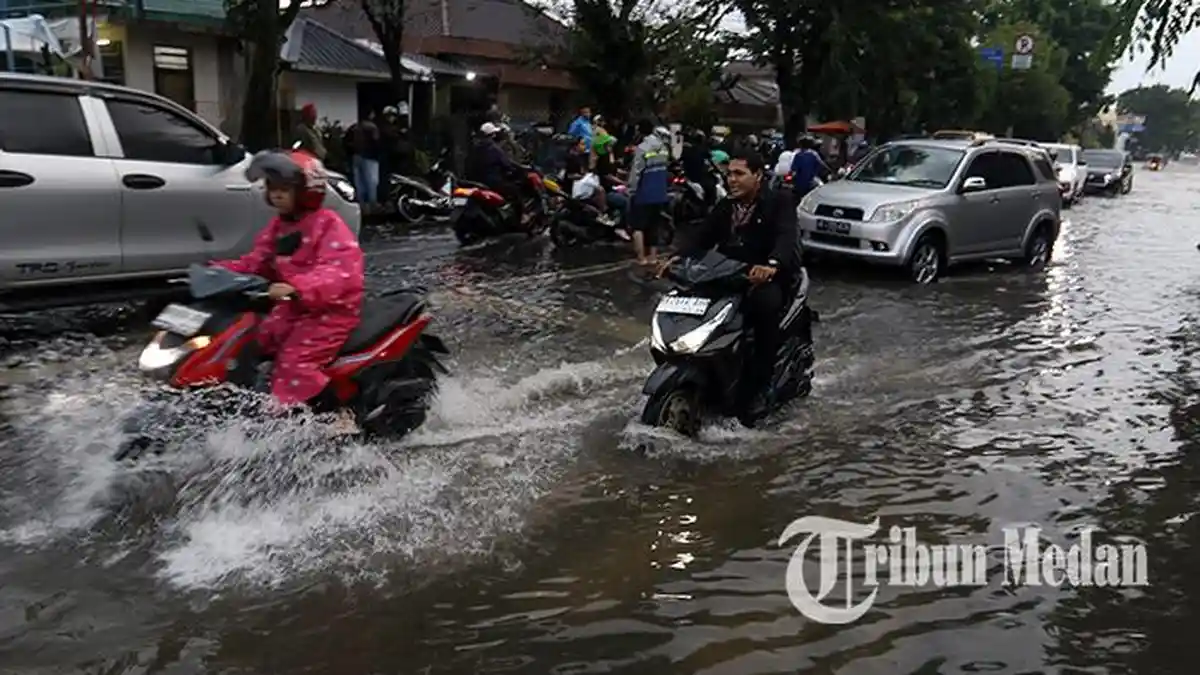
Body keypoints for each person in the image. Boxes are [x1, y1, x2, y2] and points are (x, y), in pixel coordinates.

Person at [210, 149, 365, 410]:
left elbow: (340, 272)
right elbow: (257, 260)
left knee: (296, 362)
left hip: (328, 311)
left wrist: (297, 287)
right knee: (254, 340)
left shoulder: (327, 224)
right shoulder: (280, 226)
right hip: (292, 306)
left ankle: (338, 416)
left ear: (306, 191)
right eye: (272, 188)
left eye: (285, 188)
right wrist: (217, 272)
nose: (277, 194)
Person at [661, 149, 800, 425]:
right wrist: (677, 257)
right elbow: (703, 236)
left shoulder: (779, 202)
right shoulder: (727, 206)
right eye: (729, 174)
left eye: (739, 174)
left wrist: (772, 264)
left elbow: (787, 237)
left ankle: (762, 384)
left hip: (766, 278)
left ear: (757, 176)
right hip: (728, 276)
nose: (732, 180)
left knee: (764, 307)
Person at [626, 120, 671, 265]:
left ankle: (641, 259)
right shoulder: (664, 148)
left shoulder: (643, 148)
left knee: (638, 226)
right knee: (654, 225)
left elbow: (636, 172)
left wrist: (631, 190)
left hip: (643, 193)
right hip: (660, 193)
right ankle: (653, 258)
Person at [467, 121, 528, 227]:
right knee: (515, 191)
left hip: (476, 181)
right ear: (493, 135)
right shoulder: (494, 148)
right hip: (492, 181)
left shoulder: (475, 148)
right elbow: (507, 164)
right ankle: (522, 217)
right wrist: (515, 170)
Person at [349, 111, 381, 204]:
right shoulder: (372, 127)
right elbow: (376, 142)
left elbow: (346, 141)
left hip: (356, 156)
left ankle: (361, 204)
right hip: (370, 157)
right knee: (372, 182)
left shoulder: (354, 127)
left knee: (359, 182)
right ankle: (372, 203)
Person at [681, 129, 716, 206]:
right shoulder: (704, 150)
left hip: (689, 177)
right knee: (712, 188)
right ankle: (709, 207)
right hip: (699, 178)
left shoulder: (687, 149)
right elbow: (711, 161)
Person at [790, 135, 831, 199]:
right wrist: (830, 170)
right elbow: (822, 165)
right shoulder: (814, 154)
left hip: (800, 183)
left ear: (800, 145)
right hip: (811, 181)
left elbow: (794, 170)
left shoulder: (798, 155)